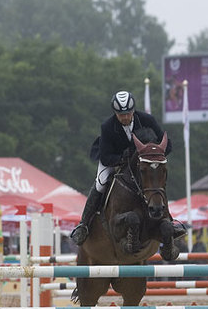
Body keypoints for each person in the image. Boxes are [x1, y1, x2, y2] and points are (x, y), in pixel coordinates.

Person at [70, 90, 187, 246]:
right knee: (101, 182)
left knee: (155, 181)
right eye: (121, 114)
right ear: (115, 113)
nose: (125, 117)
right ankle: (84, 224)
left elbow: (167, 145)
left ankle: (170, 221)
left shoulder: (147, 120)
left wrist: (154, 156)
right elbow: (106, 156)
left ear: (133, 110)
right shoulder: (107, 127)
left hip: (142, 162)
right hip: (115, 159)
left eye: (128, 113)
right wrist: (123, 158)